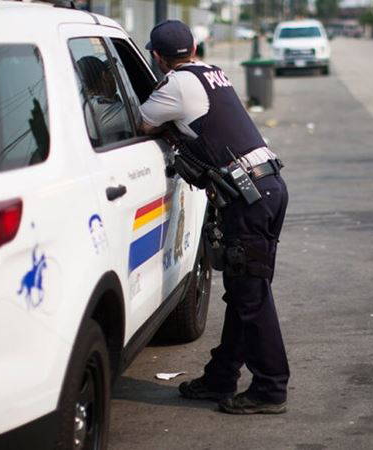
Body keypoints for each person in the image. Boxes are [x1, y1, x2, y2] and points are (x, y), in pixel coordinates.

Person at [139, 19, 290, 415]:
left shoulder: (175, 85)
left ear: (158, 57)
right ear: (193, 48)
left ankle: (270, 388)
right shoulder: (212, 72)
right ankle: (220, 377)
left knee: (251, 296)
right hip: (268, 187)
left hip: (248, 196)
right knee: (244, 291)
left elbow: (142, 122)